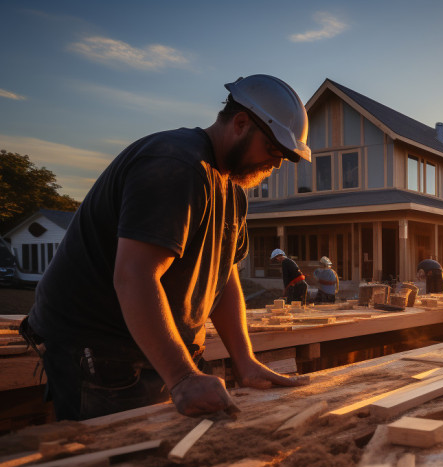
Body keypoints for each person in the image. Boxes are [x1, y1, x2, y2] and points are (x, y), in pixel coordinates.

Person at [19, 74, 312, 421]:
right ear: (241, 123)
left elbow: (224, 276)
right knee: (124, 465)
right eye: (273, 150)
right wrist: (183, 377)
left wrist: (244, 360)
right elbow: (134, 275)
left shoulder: (231, 190)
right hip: (98, 349)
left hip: (147, 348)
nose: (276, 163)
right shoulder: (176, 165)